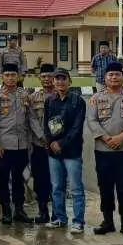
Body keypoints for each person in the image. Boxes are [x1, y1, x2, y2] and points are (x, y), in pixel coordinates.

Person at [86, 62, 123, 239]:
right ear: (105, 78)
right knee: (105, 188)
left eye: (117, 74)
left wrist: (122, 137)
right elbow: (92, 120)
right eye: (110, 75)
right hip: (103, 150)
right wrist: (105, 138)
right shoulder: (96, 98)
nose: (114, 78)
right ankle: (107, 221)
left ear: (122, 77)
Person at [44, 68, 86, 233]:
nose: (60, 82)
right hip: (53, 152)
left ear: (70, 81)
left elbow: (77, 128)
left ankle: (78, 221)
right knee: (56, 187)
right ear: (53, 82)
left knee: (76, 188)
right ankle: (59, 218)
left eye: (63, 79)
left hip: (72, 152)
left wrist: (61, 143)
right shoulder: (49, 101)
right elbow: (46, 125)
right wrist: (52, 142)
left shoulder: (78, 101)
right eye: (57, 79)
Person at [0, 62, 31, 225]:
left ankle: (19, 210)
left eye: (13, 75)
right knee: (3, 179)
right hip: (4, 146)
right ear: (2, 77)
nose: (11, 78)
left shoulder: (24, 95)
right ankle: (6, 210)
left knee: (18, 179)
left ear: (18, 76)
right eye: (7, 75)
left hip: (21, 145)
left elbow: (30, 119)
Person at [28, 63, 56, 223]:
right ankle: (42, 211)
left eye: (49, 76)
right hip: (39, 146)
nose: (46, 79)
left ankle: (58, 213)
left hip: (57, 146)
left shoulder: (61, 96)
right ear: (39, 78)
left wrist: (53, 140)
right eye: (43, 76)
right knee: (40, 180)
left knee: (57, 182)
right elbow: (31, 119)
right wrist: (43, 137)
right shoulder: (33, 98)